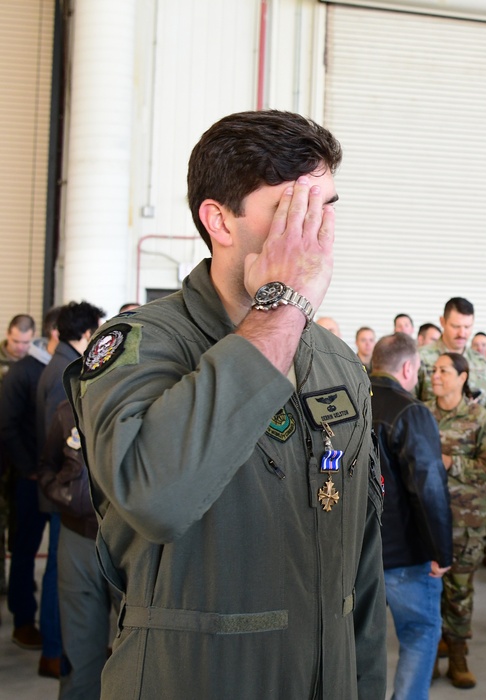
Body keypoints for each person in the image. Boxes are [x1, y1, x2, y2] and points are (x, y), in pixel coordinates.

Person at [66, 110, 386, 698]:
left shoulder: (339, 363)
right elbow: (156, 496)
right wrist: (284, 305)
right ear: (219, 221)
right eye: (294, 210)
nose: (318, 234)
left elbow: (359, 566)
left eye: (329, 208)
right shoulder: (143, 347)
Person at [370, 333, 452, 700]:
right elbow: (428, 486)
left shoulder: (345, 402)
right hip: (404, 554)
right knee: (419, 635)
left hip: (356, 553)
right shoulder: (410, 410)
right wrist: (442, 550)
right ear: (407, 367)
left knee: (359, 644)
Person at [425, 352, 486, 689]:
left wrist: (450, 463)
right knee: (429, 590)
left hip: (466, 520)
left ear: (462, 377)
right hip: (427, 520)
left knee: (459, 591)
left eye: (443, 370)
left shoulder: (479, 418)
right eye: (434, 370)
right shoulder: (421, 413)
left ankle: (457, 655)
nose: (435, 375)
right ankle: (429, 655)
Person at [38, 399, 117, 699]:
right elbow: (47, 463)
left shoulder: (152, 394)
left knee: (142, 647)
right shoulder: (68, 408)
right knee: (79, 650)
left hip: (133, 543)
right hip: (77, 538)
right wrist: (62, 493)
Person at [1, 308, 58, 660]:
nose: (19, 347)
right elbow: (5, 426)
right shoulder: (23, 373)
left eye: (24, 341)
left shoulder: (42, 369)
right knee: (24, 548)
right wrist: (28, 469)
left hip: (43, 476)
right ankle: (23, 619)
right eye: (14, 341)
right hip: (25, 477)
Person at [416, 298, 486, 418]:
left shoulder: (481, 363)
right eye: (455, 326)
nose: (462, 333)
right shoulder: (421, 358)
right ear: (442, 322)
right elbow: (409, 407)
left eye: (467, 327)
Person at [0, 314, 35, 378]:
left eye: (25, 342)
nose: (20, 347)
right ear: (7, 334)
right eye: (15, 341)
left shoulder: (37, 361)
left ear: (33, 337)